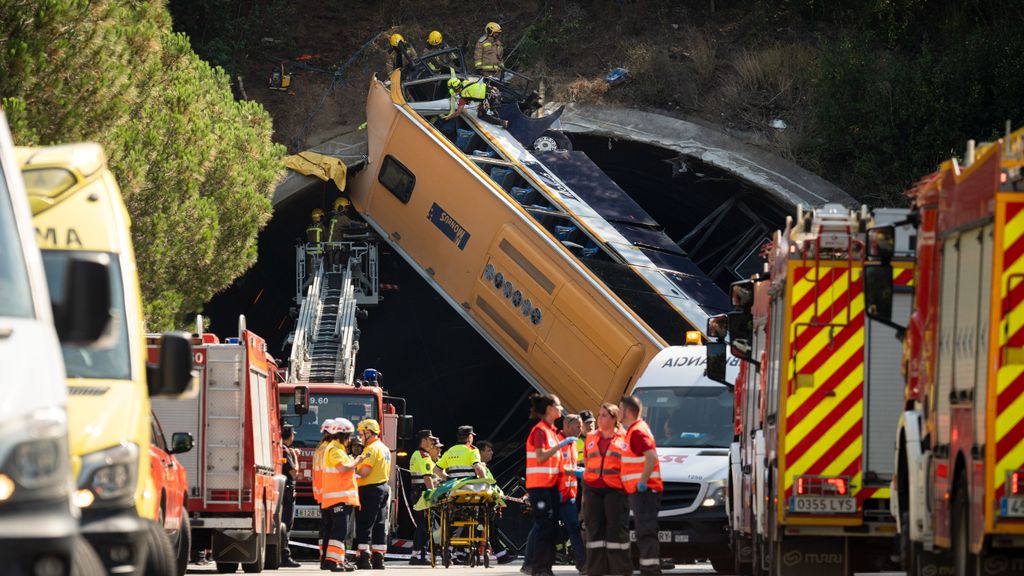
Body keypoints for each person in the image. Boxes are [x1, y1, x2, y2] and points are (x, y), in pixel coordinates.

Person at [523, 393, 573, 576]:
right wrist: (561, 445)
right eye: (558, 406)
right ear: (550, 409)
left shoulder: (551, 431)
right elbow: (541, 456)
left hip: (550, 486)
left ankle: (545, 568)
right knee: (545, 527)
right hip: (539, 487)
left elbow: (555, 463)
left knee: (551, 528)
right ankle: (539, 568)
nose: (561, 408)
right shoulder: (540, 431)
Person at [582, 404, 631, 576]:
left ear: (614, 419)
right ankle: (595, 570)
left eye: (604, 415)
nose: (600, 419)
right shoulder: (590, 437)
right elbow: (588, 462)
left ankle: (619, 570)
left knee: (615, 531)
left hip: (615, 489)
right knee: (594, 531)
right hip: (593, 488)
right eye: (599, 415)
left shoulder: (624, 438)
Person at [619, 395, 663, 576]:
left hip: (644, 491)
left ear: (628, 411)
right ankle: (650, 569)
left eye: (620, 409)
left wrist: (642, 482)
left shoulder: (637, 431)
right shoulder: (636, 429)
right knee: (645, 530)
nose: (618, 412)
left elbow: (651, 456)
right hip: (642, 491)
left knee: (645, 531)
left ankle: (650, 570)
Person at [322, 418, 364, 572]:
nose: (349, 440)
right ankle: (332, 561)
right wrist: (357, 461)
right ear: (343, 435)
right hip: (338, 498)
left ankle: (338, 560)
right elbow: (343, 468)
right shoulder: (335, 450)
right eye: (348, 436)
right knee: (339, 531)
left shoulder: (337, 449)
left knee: (341, 531)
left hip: (341, 497)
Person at [355, 418, 391, 569]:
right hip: (382, 488)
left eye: (362, 434)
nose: (360, 437)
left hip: (369, 490)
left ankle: (363, 559)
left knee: (364, 524)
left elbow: (364, 471)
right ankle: (378, 558)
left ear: (369, 432)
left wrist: (353, 465)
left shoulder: (371, 449)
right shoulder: (384, 448)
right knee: (379, 524)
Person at [557, 415, 586, 572]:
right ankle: (531, 562)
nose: (580, 429)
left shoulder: (573, 444)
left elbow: (571, 466)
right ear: (567, 426)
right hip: (555, 494)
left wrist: (580, 470)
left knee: (574, 528)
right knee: (542, 528)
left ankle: (582, 563)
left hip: (569, 495)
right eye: (577, 426)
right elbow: (557, 468)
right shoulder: (557, 442)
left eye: (581, 426)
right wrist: (578, 471)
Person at [408, 430, 439, 565]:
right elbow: (427, 478)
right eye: (431, 440)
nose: (432, 443)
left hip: (417, 492)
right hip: (422, 493)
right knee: (425, 525)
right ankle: (420, 555)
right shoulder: (423, 456)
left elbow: (434, 473)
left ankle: (416, 554)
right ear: (424, 440)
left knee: (422, 524)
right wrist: (433, 495)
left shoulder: (418, 454)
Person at [442, 76, 508, 129]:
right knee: (482, 106)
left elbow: (458, 113)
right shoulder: (466, 81)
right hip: (495, 91)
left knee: (481, 115)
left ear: (454, 89)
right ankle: (495, 112)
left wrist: (448, 117)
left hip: (492, 99)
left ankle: (502, 122)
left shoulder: (463, 97)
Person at [314, 419, 336, 570]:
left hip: (322, 494)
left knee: (326, 527)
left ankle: (324, 558)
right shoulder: (330, 449)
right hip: (331, 492)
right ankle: (332, 559)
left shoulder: (320, 448)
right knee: (335, 528)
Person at [280, 426, 303, 568]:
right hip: (287, 491)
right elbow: (294, 472)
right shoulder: (286, 451)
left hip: (283, 491)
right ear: (291, 436)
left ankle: (281, 555)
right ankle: (285, 556)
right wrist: (295, 456)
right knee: (286, 524)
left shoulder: (279, 448)